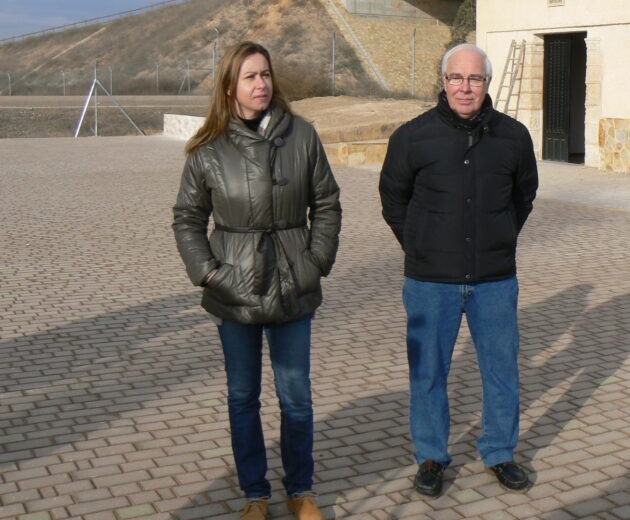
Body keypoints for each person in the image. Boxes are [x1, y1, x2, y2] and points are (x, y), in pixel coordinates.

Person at [172, 41, 341, 520]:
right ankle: (255, 494)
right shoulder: (208, 149)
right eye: (250, 76)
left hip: (293, 283)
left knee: (297, 397)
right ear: (230, 86)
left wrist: (314, 262)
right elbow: (187, 218)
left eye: (265, 74)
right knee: (243, 396)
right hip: (234, 290)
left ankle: (301, 489)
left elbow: (327, 203)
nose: (261, 84)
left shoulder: (303, 136)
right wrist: (209, 273)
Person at [378, 42, 539, 497]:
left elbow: (523, 195)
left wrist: (502, 233)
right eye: (456, 78)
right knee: (428, 373)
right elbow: (393, 198)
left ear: (488, 83)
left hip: (494, 280)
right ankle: (431, 456)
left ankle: (500, 452)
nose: (465, 88)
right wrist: (419, 245)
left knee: (502, 371)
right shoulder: (412, 137)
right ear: (443, 82)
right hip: (431, 281)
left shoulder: (513, 136)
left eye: (475, 79)